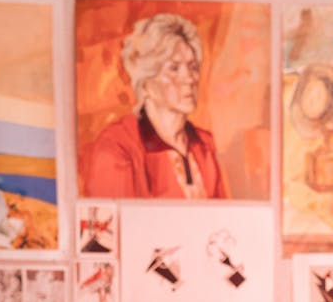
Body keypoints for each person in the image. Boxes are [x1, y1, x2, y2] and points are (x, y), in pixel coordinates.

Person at [82, 12, 227, 199]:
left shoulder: (206, 145)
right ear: (146, 83)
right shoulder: (117, 148)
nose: (190, 78)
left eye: (192, 67)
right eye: (174, 68)